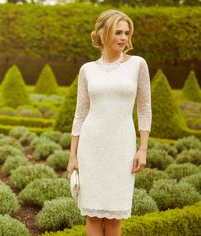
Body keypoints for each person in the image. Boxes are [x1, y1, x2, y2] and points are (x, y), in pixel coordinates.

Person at [67, 9, 152, 236]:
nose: (124, 38)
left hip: (122, 148)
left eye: (127, 33)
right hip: (91, 148)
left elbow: (144, 109)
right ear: (104, 33)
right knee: (93, 217)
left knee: (115, 219)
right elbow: (80, 114)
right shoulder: (87, 70)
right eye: (118, 32)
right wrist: (73, 156)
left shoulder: (137, 65)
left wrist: (143, 149)